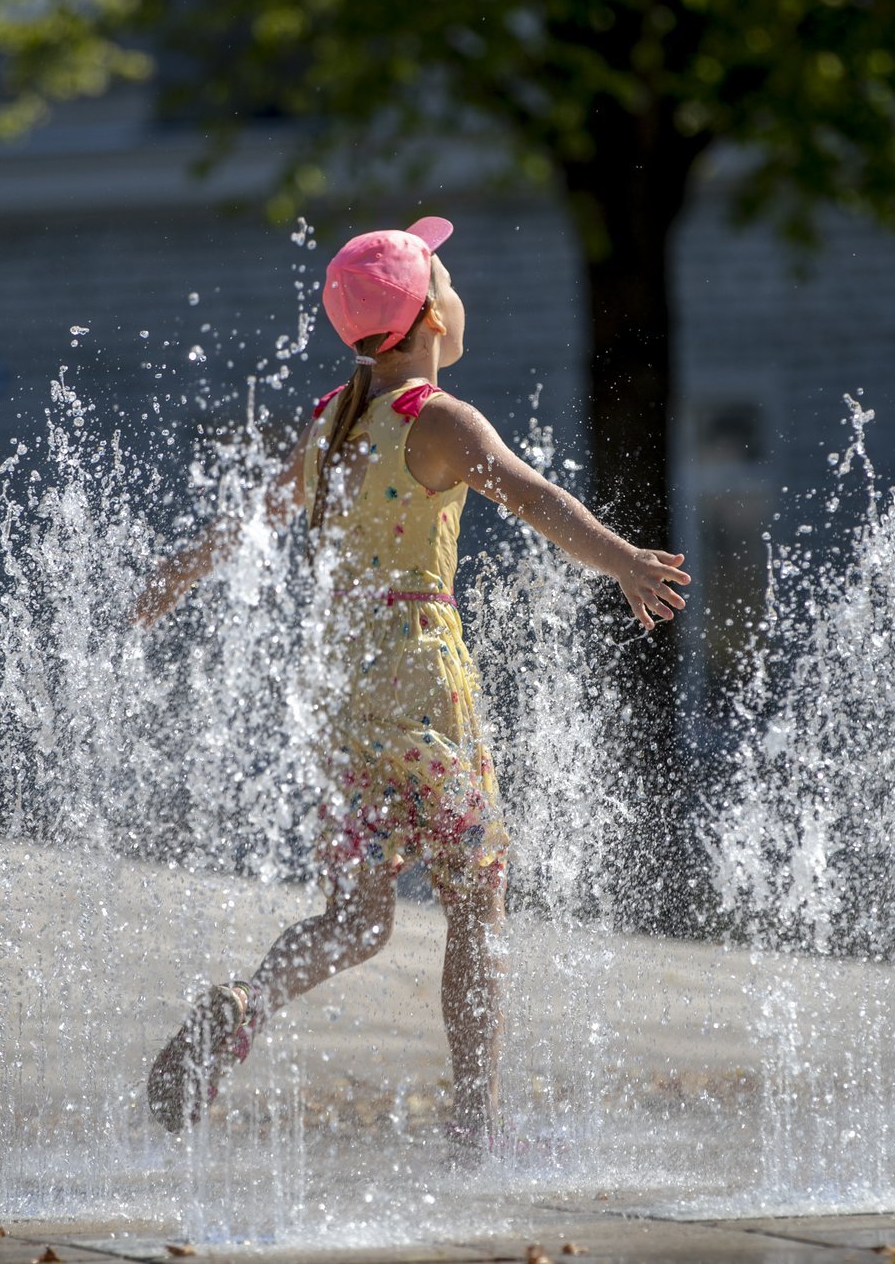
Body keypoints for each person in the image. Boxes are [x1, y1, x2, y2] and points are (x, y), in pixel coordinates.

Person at [136, 215, 690, 1154]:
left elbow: (256, 517)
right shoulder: (435, 419)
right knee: (477, 894)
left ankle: (244, 1002)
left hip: (340, 685)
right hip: (421, 677)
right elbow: (536, 498)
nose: (459, 292)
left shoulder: (330, 419)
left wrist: (174, 577)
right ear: (432, 313)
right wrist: (625, 559)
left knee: (356, 915)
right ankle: (477, 1126)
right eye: (448, 276)